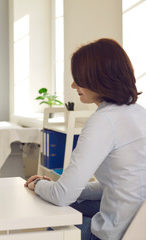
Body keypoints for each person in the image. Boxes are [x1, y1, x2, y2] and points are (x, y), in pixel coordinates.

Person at [25, 38, 146, 240]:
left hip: (115, 233)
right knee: (67, 200)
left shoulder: (103, 121)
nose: (74, 85)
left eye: (79, 79)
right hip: (139, 226)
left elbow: (62, 196)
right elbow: (117, 183)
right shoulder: (139, 113)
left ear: (100, 79)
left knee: (45, 214)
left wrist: (37, 185)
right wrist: (70, 188)